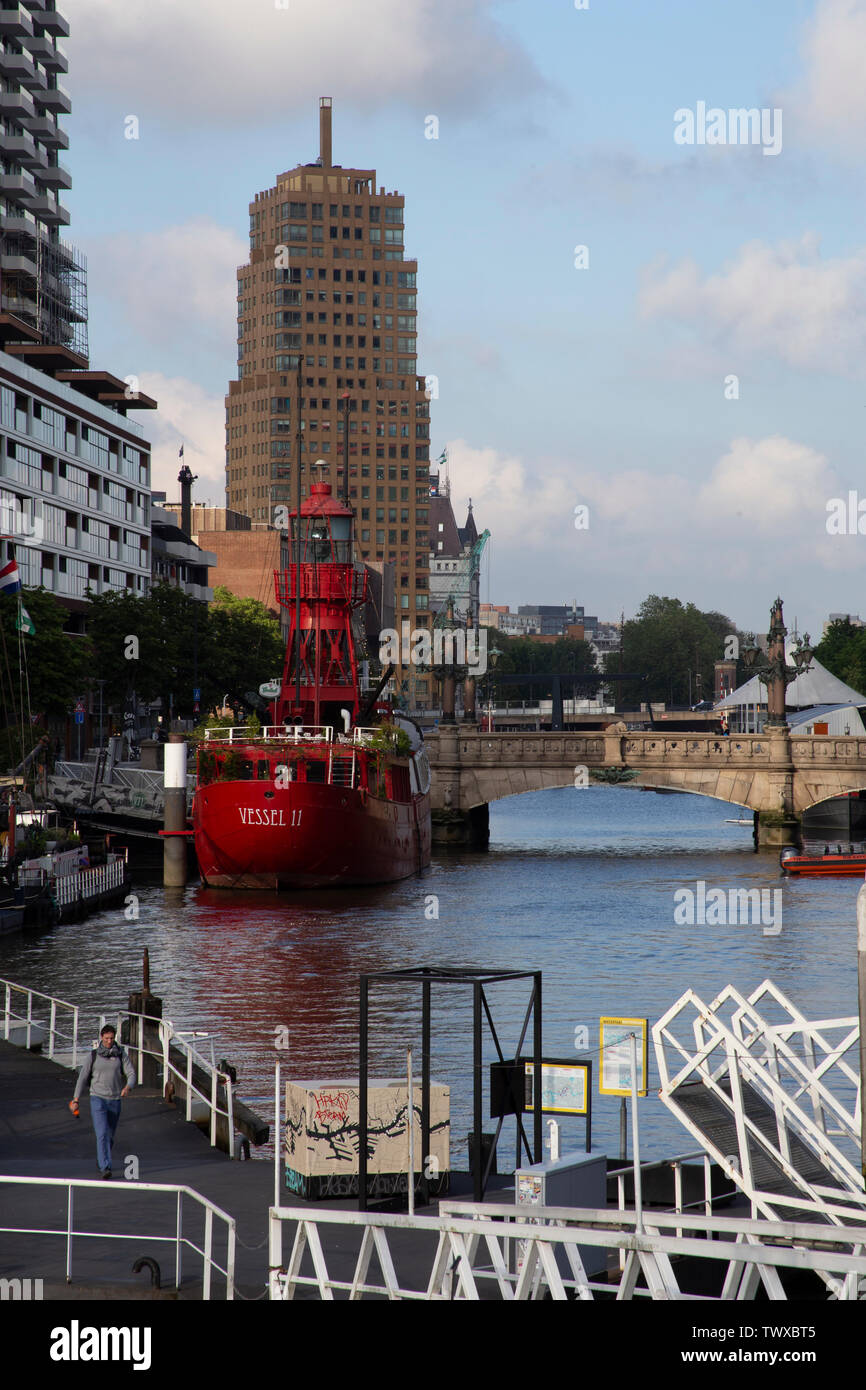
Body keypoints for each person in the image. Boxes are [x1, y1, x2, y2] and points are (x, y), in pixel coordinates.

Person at [70, 1024, 135, 1179]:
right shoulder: (93, 1056)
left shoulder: (120, 1055)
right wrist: (76, 1099)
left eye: (111, 1038)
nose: (109, 1041)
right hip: (97, 1098)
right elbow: (83, 1077)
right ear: (101, 1037)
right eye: (106, 1038)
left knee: (110, 1136)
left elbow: (131, 1073)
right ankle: (105, 1167)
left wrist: (128, 1087)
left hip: (115, 1100)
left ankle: (102, 1158)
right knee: (102, 1133)